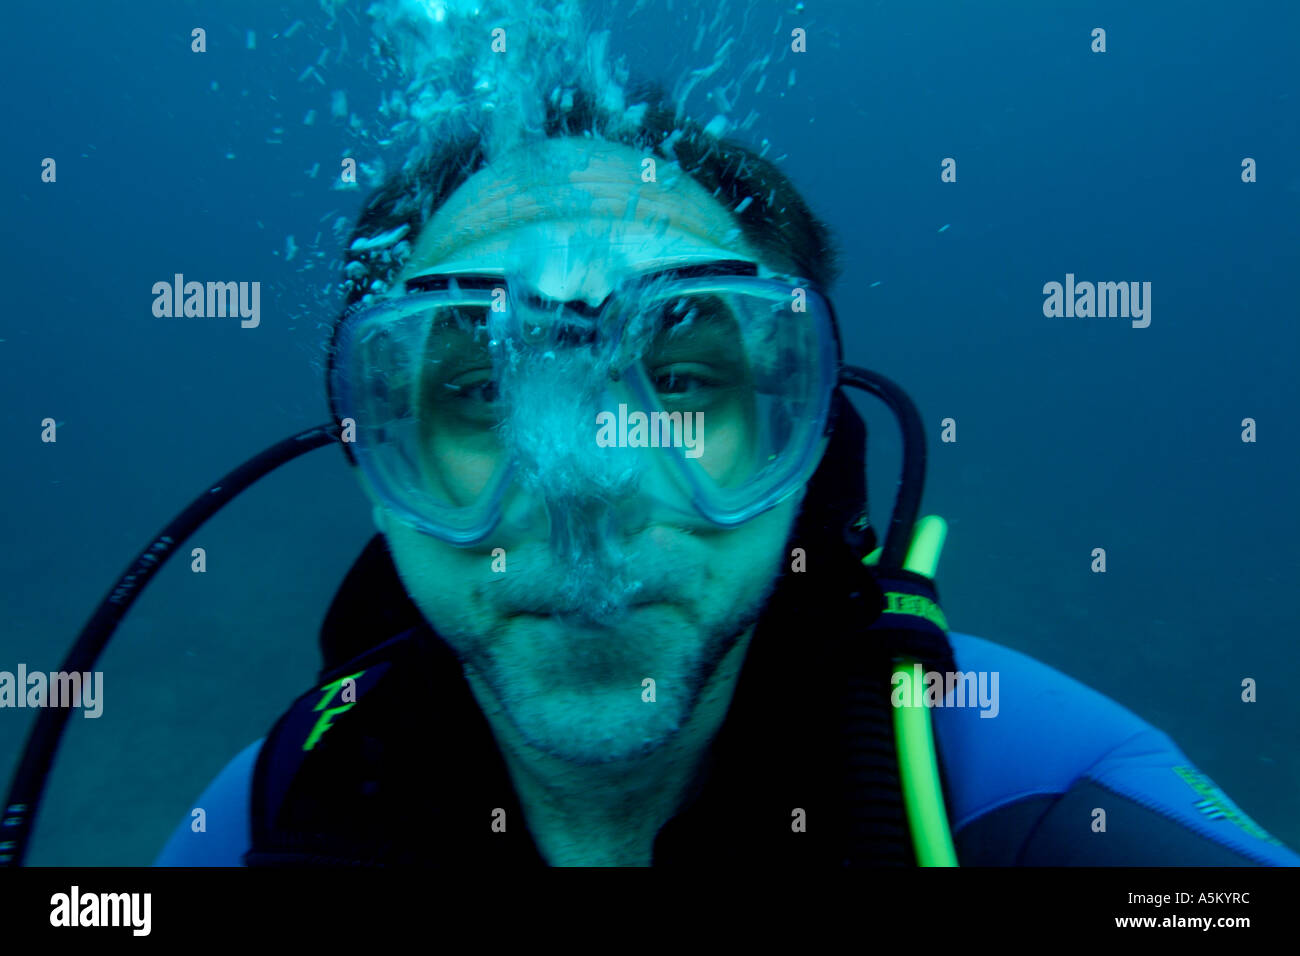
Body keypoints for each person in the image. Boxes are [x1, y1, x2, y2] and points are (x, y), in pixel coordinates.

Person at [154, 85, 1297, 867]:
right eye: (483, 389)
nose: (582, 486)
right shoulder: (266, 823)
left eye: (688, 376)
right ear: (379, 455)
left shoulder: (1037, 797)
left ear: (803, 435)